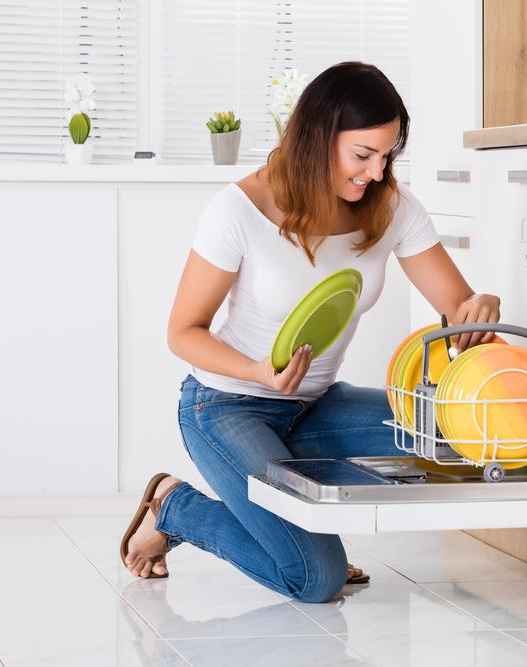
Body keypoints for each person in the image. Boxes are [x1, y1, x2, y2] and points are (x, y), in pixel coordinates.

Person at [118, 62, 501, 602]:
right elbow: (183, 332)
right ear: (318, 138)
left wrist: (477, 307)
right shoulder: (238, 210)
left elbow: (458, 307)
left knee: (457, 427)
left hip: (316, 407)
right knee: (315, 579)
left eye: (387, 155)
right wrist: (257, 371)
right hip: (228, 406)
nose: (375, 172)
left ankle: (290, 524)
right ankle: (175, 507)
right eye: (363, 155)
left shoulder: (392, 207)